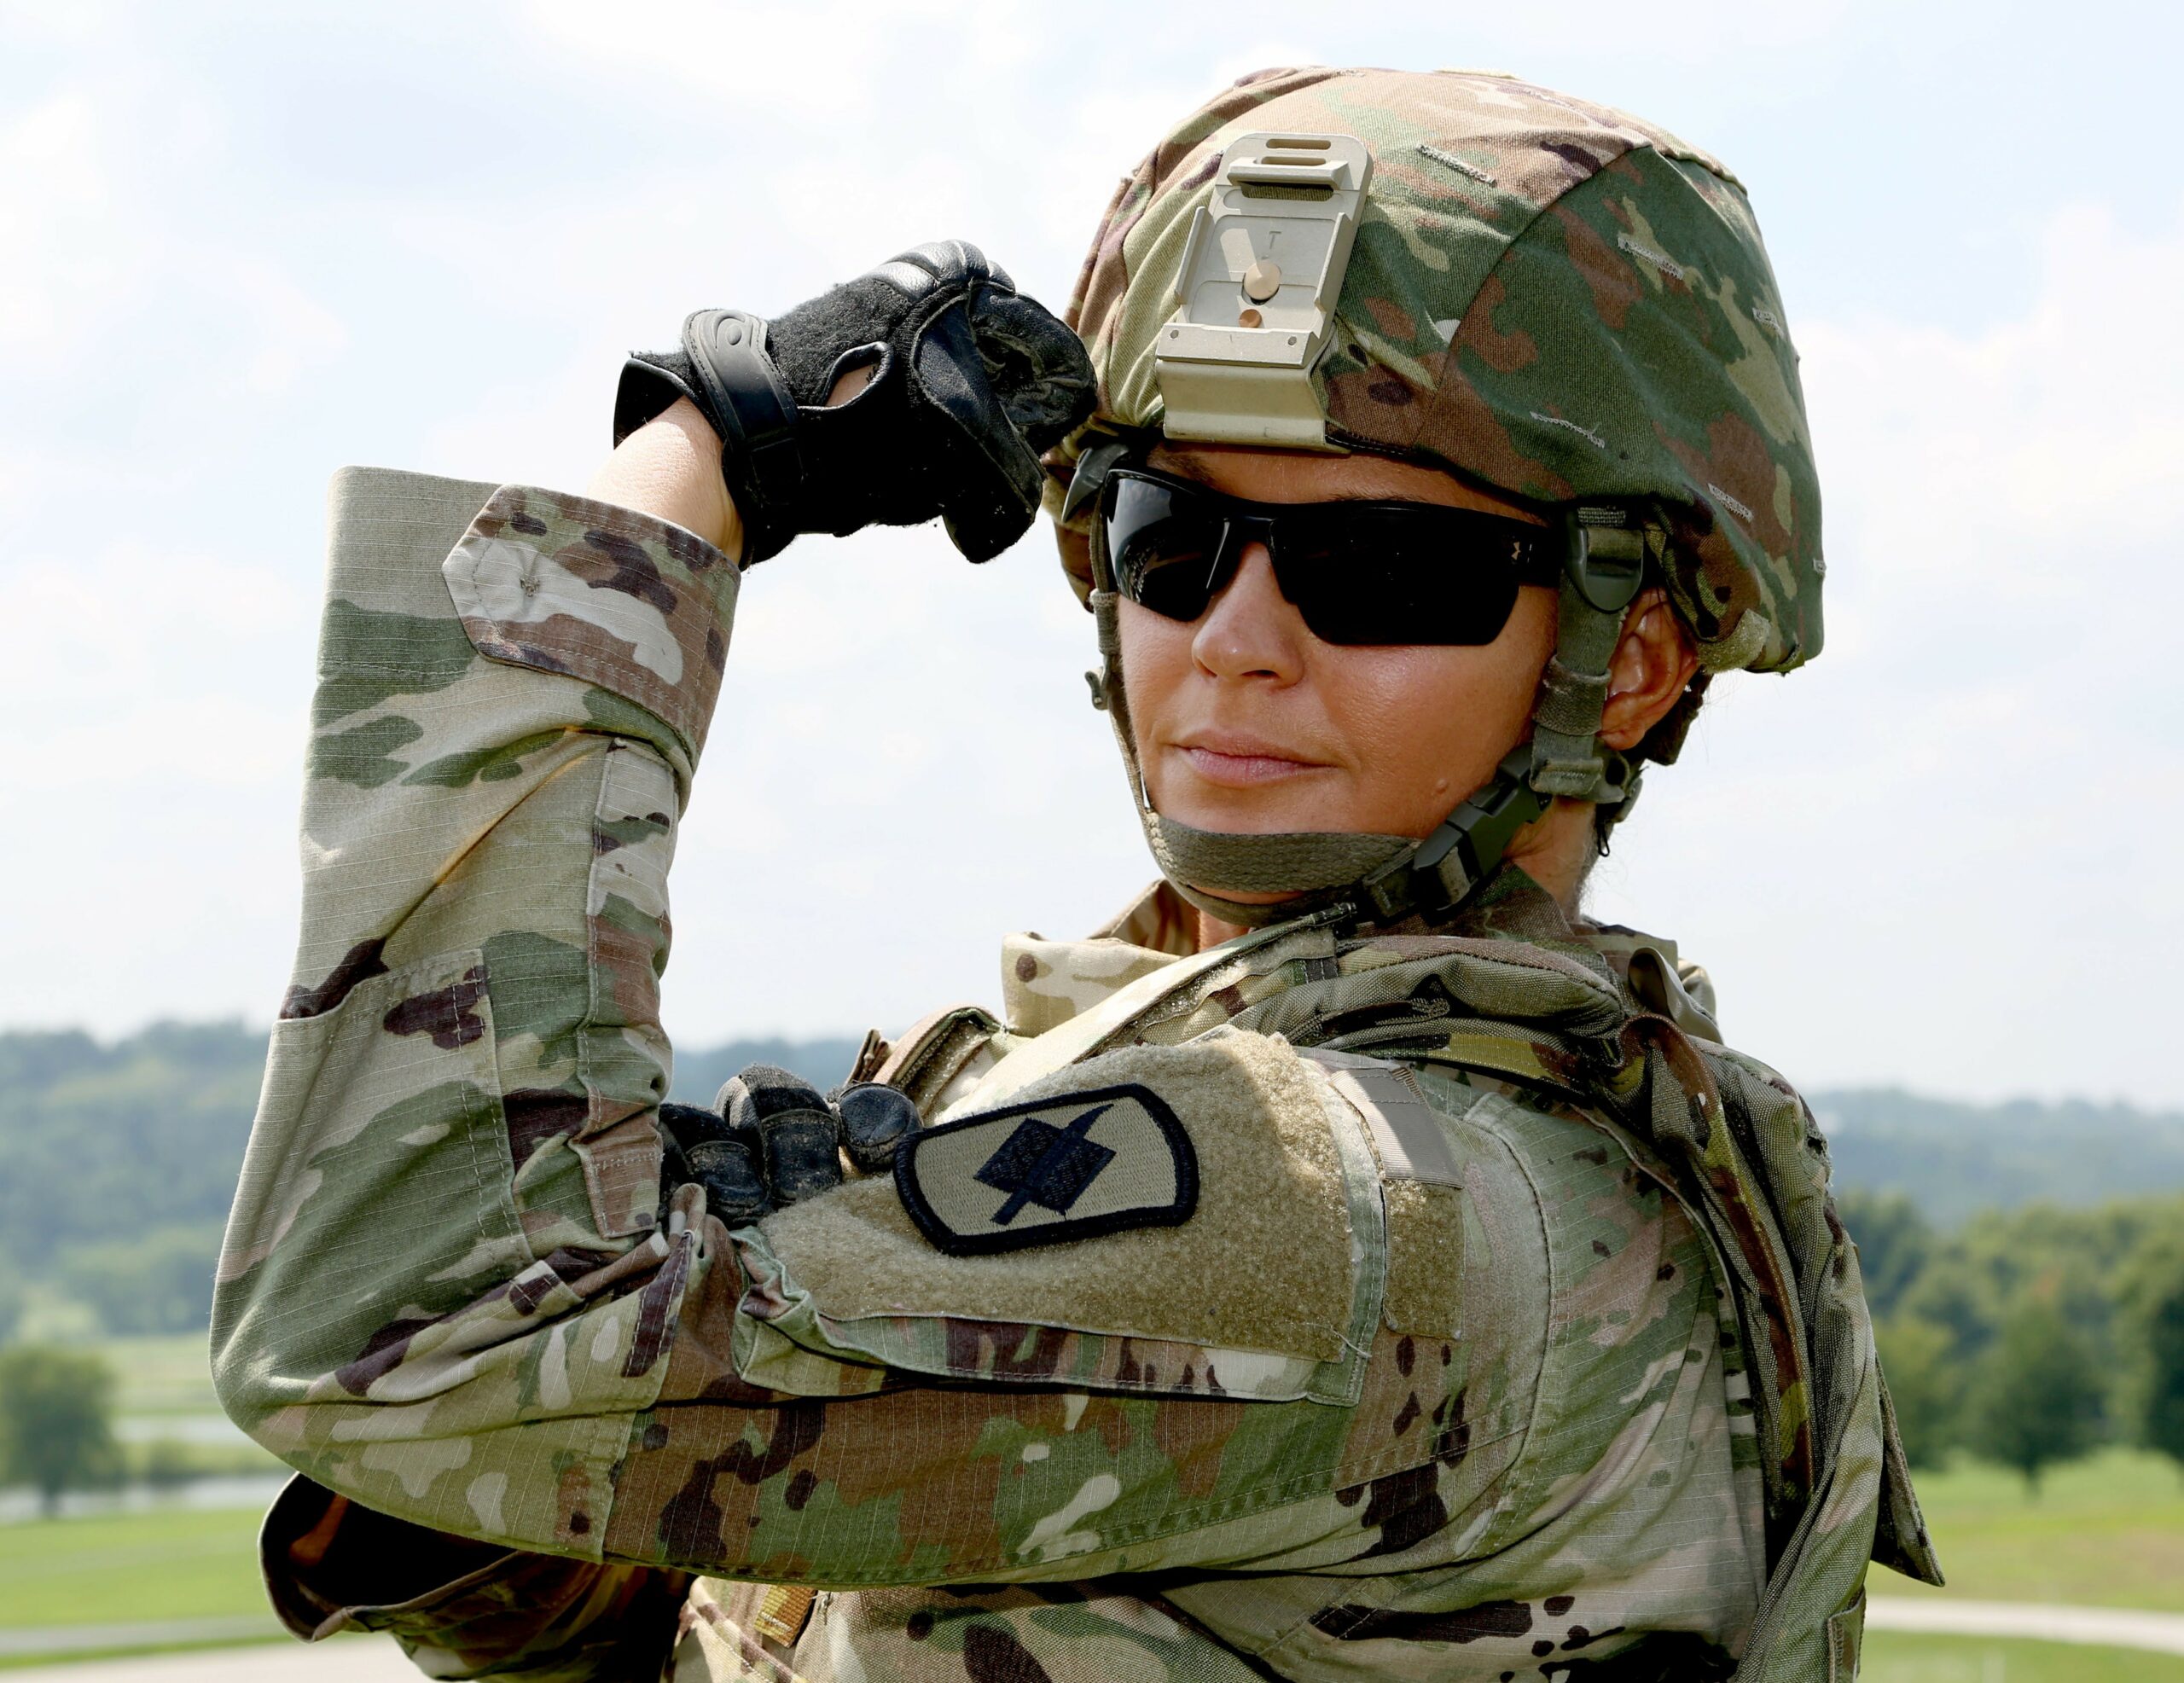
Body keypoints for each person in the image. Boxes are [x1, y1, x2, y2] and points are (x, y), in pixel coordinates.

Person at [214, 67, 1940, 1682]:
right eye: (1163, 542)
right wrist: (601, 1526)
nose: (1234, 641)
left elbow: (401, 1333)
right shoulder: (1313, 1091)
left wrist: (717, 454)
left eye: (1382, 564)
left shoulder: (1373, 1208)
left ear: (1628, 658)